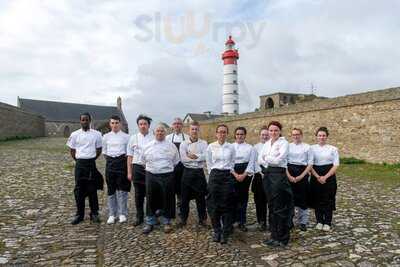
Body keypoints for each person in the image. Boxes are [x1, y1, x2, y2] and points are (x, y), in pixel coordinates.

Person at [259, 121, 293, 247]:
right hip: (268, 175)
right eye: (271, 130)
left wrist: (266, 158)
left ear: (280, 131)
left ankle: (282, 238)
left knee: (280, 207)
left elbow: (280, 160)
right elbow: (259, 159)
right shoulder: (267, 143)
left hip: (279, 176)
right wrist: (268, 158)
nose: (273, 133)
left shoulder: (284, 143)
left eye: (276, 130)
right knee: (272, 206)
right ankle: (274, 236)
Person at [141, 124, 180, 234]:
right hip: (151, 175)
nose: (160, 133)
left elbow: (176, 161)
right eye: (158, 131)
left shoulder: (171, 146)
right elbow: (143, 161)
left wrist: (164, 169)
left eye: (162, 131)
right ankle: (150, 221)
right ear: (154, 133)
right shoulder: (147, 146)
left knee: (167, 198)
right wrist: (153, 170)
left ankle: (166, 222)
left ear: (165, 133)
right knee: (150, 198)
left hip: (167, 175)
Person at [67, 112, 103, 225]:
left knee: (92, 189)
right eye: (82, 120)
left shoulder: (97, 134)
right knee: (79, 190)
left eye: (86, 120)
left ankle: (94, 213)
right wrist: (79, 160)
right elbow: (72, 151)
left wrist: (90, 158)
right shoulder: (74, 134)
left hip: (91, 163)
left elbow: (99, 150)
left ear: (90, 121)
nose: (84, 122)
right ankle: (79, 214)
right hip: (80, 164)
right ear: (80, 121)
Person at [206, 124, 236, 244]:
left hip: (227, 176)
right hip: (214, 176)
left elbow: (233, 161)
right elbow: (208, 162)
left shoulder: (231, 147)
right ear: (216, 133)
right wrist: (212, 173)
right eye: (220, 132)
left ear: (227, 134)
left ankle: (225, 231)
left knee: (227, 204)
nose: (222, 134)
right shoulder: (211, 146)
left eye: (224, 132)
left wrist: (227, 171)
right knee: (213, 204)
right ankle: (217, 230)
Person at [177, 121, 208, 227]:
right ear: (189, 130)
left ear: (199, 130)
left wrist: (194, 156)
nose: (194, 131)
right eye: (192, 129)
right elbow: (183, 159)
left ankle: (203, 219)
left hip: (199, 173)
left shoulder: (204, 143)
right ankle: (183, 219)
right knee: (184, 198)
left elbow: (205, 158)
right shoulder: (183, 144)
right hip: (187, 172)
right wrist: (198, 158)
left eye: (196, 129)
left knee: (201, 198)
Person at [310, 127, 339, 232]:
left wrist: (325, 177)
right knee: (317, 198)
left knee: (328, 199)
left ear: (326, 137)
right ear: (316, 136)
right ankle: (319, 221)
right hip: (315, 174)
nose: (321, 137)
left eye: (323, 135)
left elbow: (336, 165)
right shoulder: (311, 148)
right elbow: (310, 164)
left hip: (329, 175)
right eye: (319, 135)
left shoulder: (333, 149)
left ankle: (327, 222)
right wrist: (317, 176)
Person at [102, 115, 131, 224]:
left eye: (117, 123)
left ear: (120, 124)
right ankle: (112, 214)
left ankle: (122, 213)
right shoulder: (105, 137)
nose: (115, 125)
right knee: (111, 189)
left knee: (122, 189)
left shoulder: (126, 137)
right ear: (110, 124)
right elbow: (104, 152)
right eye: (112, 123)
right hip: (110, 164)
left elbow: (128, 153)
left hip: (121, 163)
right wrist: (111, 161)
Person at [127, 115, 154, 226]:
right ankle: (139, 216)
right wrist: (129, 172)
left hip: (150, 168)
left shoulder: (153, 138)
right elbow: (129, 156)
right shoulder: (133, 138)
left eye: (145, 124)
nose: (143, 126)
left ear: (148, 125)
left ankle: (150, 216)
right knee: (138, 194)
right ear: (138, 125)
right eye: (140, 124)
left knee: (150, 193)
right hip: (137, 168)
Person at [286, 128, 313, 231]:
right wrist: (289, 176)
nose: (296, 136)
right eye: (293, 135)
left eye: (297, 134)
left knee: (303, 198)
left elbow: (310, 163)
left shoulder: (307, 147)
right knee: (289, 198)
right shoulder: (288, 146)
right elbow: (284, 162)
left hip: (303, 172)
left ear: (301, 135)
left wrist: (302, 176)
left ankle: (303, 222)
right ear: (291, 136)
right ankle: (290, 220)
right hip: (290, 171)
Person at [232, 127, 256, 232]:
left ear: (245, 135)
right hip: (232, 172)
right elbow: (228, 162)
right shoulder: (230, 147)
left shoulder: (250, 148)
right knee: (233, 196)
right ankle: (233, 220)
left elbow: (251, 163)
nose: (239, 136)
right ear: (235, 135)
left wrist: (244, 174)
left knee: (243, 197)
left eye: (241, 134)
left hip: (246, 172)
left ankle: (242, 221)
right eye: (237, 134)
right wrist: (235, 174)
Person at [166, 118, 190, 214]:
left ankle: (181, 206)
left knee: (181, 187)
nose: (177, 125)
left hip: (183, 165)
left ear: (182, 125)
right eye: (175, 123)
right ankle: (168, 208)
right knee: (170, 186)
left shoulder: (187, 138)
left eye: (179, 124)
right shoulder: (167, 138)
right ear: (172, 125)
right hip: (171, 166)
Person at [252, 126, 270, 231]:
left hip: (271, 175)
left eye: (266, 135)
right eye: (263, 134)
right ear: (260, 136)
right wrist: (260, 172)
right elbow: (254, 162)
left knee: (271, 200)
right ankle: (261, 221)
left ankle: (272, 222)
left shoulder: (273, 146)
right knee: (259, 201)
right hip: (259, 175)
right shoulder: (255, 147)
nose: (265, 136)